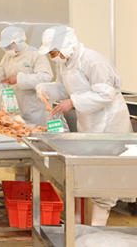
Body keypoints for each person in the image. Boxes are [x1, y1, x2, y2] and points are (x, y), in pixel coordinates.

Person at [35, 26, 133, 226]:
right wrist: (45, 90)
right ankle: (79, 226)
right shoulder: (64, 63)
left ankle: (96, 228)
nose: (52, 56)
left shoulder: (93, 61)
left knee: (105, 177)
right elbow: (63, 88)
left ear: (66, 46)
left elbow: (105, 95)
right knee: (89, 174)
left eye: (53, 52)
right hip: (89, 123)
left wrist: (73, 102)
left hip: (109, 124)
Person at [0, 26, 53, 127]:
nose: (7, 49)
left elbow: (45, 77)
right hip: (14, 112)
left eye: (9, 46)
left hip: (35, 112)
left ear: (20, 42)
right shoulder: (7, 57)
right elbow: (0, 78)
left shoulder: (36, 54)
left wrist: (18, 79)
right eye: (5, 47)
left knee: (37, 133)